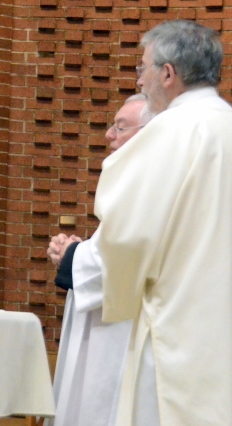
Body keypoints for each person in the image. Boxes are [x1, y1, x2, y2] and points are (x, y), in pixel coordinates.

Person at [95, 20, 232, 425]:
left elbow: (128, 233)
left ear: (168, 74)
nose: (140, 78)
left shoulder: (171, 131)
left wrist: (121, 291)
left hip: (184, 334)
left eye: (142, 68)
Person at [46, 94, 153, 426]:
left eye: (120, 127)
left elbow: (133, 256)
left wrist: (73, 256)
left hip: (129, 336)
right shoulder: (133, 181)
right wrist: (80, 249)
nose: (108, 135)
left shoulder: (154, 184)